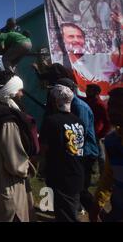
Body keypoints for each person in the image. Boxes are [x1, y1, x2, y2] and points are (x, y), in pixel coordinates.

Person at [0, 74, 37, 222]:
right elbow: (14, 161)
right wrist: (29, 168)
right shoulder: (8, 121)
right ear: (10, 91)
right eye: (19, 90)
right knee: (13, 215)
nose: (21, 94)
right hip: (9, 182)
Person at [40, 84, 85, 222]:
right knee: (70, 210)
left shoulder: (51, 121)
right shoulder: (78, 121)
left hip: (60, 174)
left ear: (54, 101)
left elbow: (44, 147)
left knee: (66, 215)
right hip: (77, 172)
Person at [55, 78, 99, 213]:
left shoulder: (79, 107)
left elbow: (80, 132)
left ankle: (96, 211)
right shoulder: (68, 105)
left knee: (80, 187)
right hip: (77, 151)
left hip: (85, 152)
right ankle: (79, 209)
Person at [89, 88, 123, 222]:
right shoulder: (112, 140)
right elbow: (109, 176)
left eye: (119, 106)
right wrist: (97, 204)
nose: (111, 110)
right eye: (111, 105)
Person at [81, 84, 111, 174]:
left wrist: (101, 135)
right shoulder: (87, 101)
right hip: (88, 133)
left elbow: (107, 122)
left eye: (89, 90)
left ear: (96, 92)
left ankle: (103, 175)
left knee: (101, 157)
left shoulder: (100, 104)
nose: (86, 92)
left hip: (97, 135)